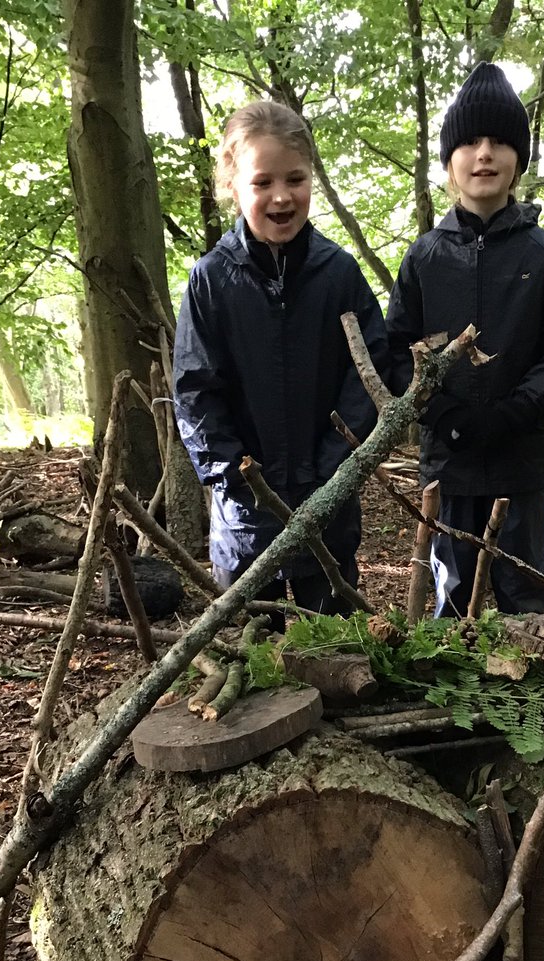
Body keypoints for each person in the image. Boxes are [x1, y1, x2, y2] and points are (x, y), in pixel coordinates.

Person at [386, 62, 544, 618]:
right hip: (447, 465)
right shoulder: (425, 257)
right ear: (450, 161)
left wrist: (516, 410)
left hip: (518, 461)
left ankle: (533, 703)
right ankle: (451, 705)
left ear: (518, 158)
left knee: (525, 594)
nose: (484, 154)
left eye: (499, 141)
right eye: (471, 142)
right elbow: (396, 348)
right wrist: (442, 413)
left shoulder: (541, 253)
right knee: (451, 598)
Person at [173, 101, 388, 620]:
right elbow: (195, 390)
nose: (281, 197)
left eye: (295, 179)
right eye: (263, 182)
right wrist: (237, 478)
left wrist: (334, 469)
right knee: (252, 656)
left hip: (327, 504)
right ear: (234, 185)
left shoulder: (339, 275)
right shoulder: (211, 281)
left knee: (336, 646)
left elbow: (370, 374)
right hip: (245, 518)